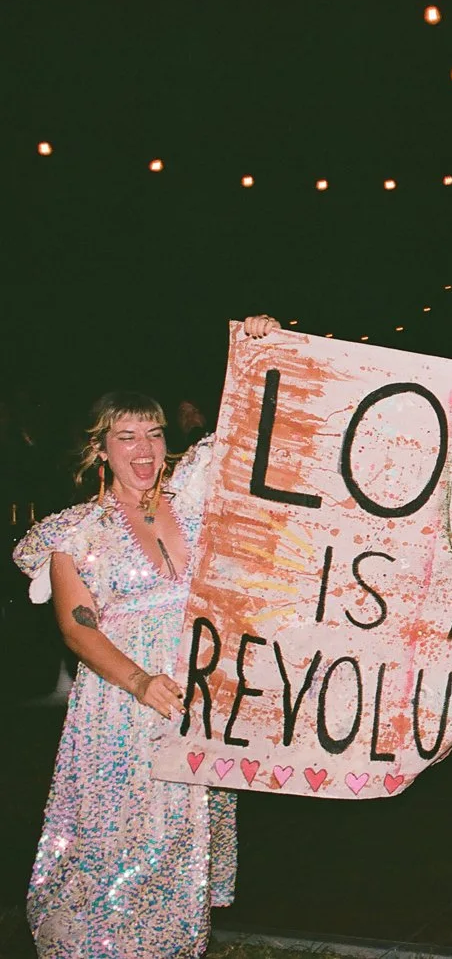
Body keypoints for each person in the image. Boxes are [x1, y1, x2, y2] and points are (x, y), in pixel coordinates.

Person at [11, 315, 280, 958]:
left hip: (196, 696)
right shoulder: (75, 533)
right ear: (100, 448)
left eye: (154, 434)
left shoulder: (191, 501)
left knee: (181, 837)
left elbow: (248, 437)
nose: (144, 449)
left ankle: (175, 946)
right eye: (125, 436)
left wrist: (256, 356)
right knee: (120, 836)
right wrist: (141, 683)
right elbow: (79, 632)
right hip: (121, 703)